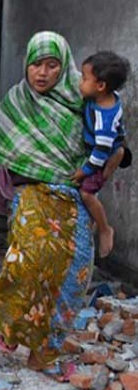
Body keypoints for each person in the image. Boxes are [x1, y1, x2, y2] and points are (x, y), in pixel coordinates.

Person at [0, 31, 92, 379]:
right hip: (30, 193)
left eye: (51, 65)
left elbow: (109, 137)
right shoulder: (17, 102)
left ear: (64, 68)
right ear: (26, 65)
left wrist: (117, 156)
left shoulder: (84, 100)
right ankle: (13, 329)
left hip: (74, 198)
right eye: (36, 64)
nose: (42, 73)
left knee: (73, 275)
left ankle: (44, 352)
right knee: (26, 262)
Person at [70, 51, 131, 258]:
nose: (80, 82)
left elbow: (100, 153)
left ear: (101, 86)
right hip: (105, 148)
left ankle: (105, 228)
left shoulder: (104, 120)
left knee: (86, 194)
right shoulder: (103, 97)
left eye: (85, 79)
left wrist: (83, 171)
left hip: (102, 154)